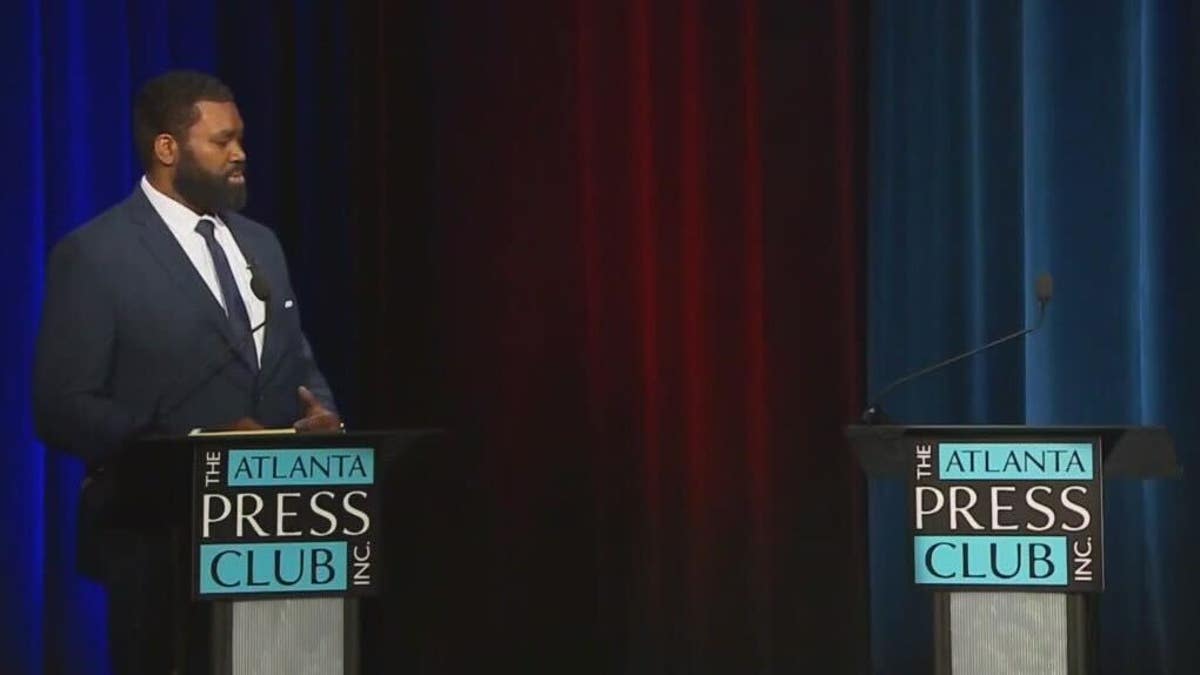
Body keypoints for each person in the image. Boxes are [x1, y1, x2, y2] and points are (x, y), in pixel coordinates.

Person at [33, 70, 341, 673]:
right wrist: (193, 447)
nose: (240, 154)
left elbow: (295, 360)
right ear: (167, 148)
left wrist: (322, 414)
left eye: (241, 139)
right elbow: (62, 405)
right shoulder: (96, 255)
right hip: (160, 539)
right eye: (222, 141)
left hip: (281, 533)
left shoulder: (262, 245)